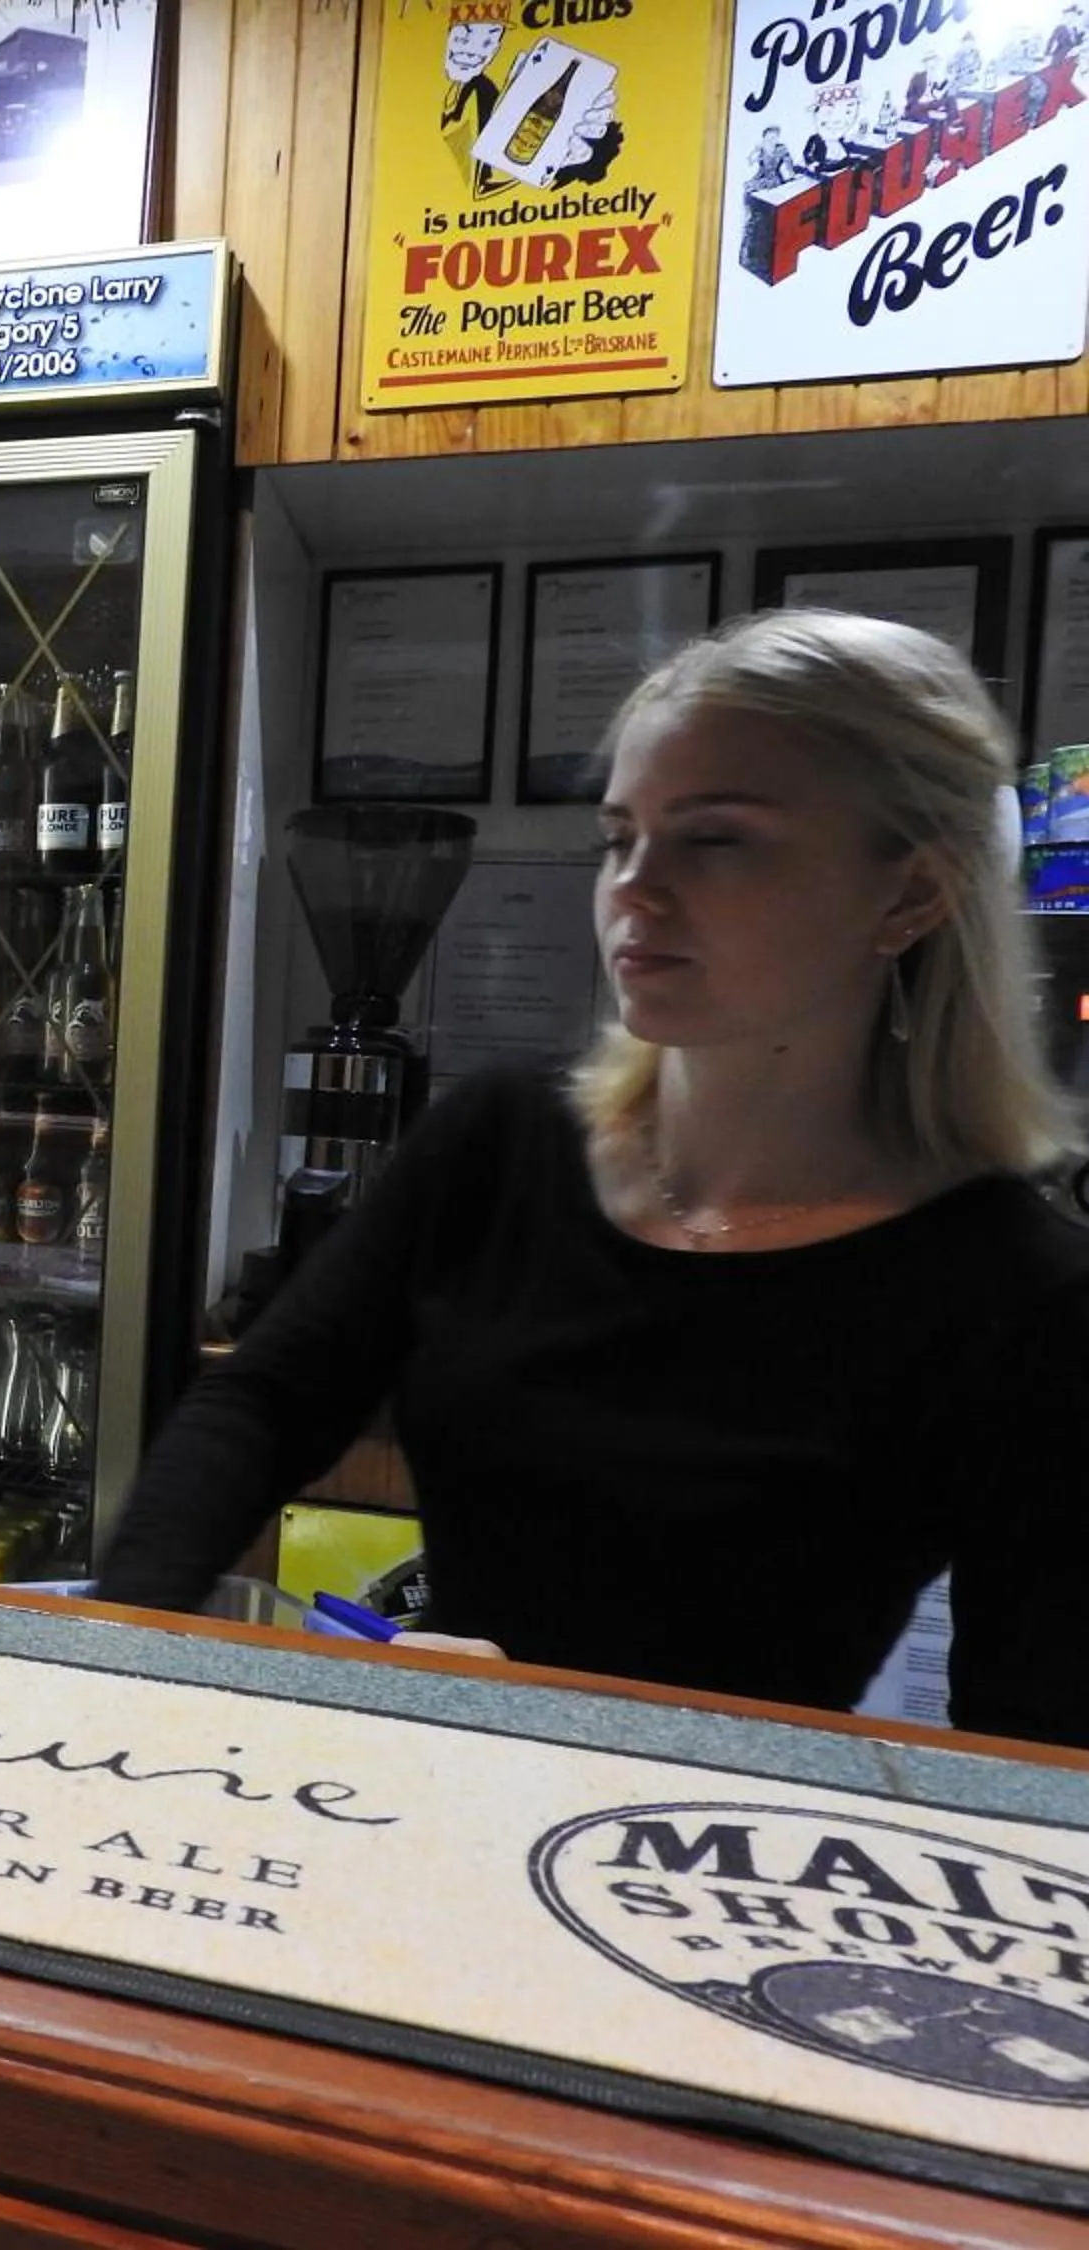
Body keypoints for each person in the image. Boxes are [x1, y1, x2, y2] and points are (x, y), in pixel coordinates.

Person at [96, 611, 1089, 1750]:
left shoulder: (1024, 1298)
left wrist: (562, 1728)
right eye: (620, 838)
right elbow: (261, 1402)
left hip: (700, 1862)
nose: (636, 888)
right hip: (420, 1787)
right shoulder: (501, 1142)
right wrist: (121, 1648)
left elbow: (1035, 1752)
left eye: (717, 840)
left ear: (912, 895)